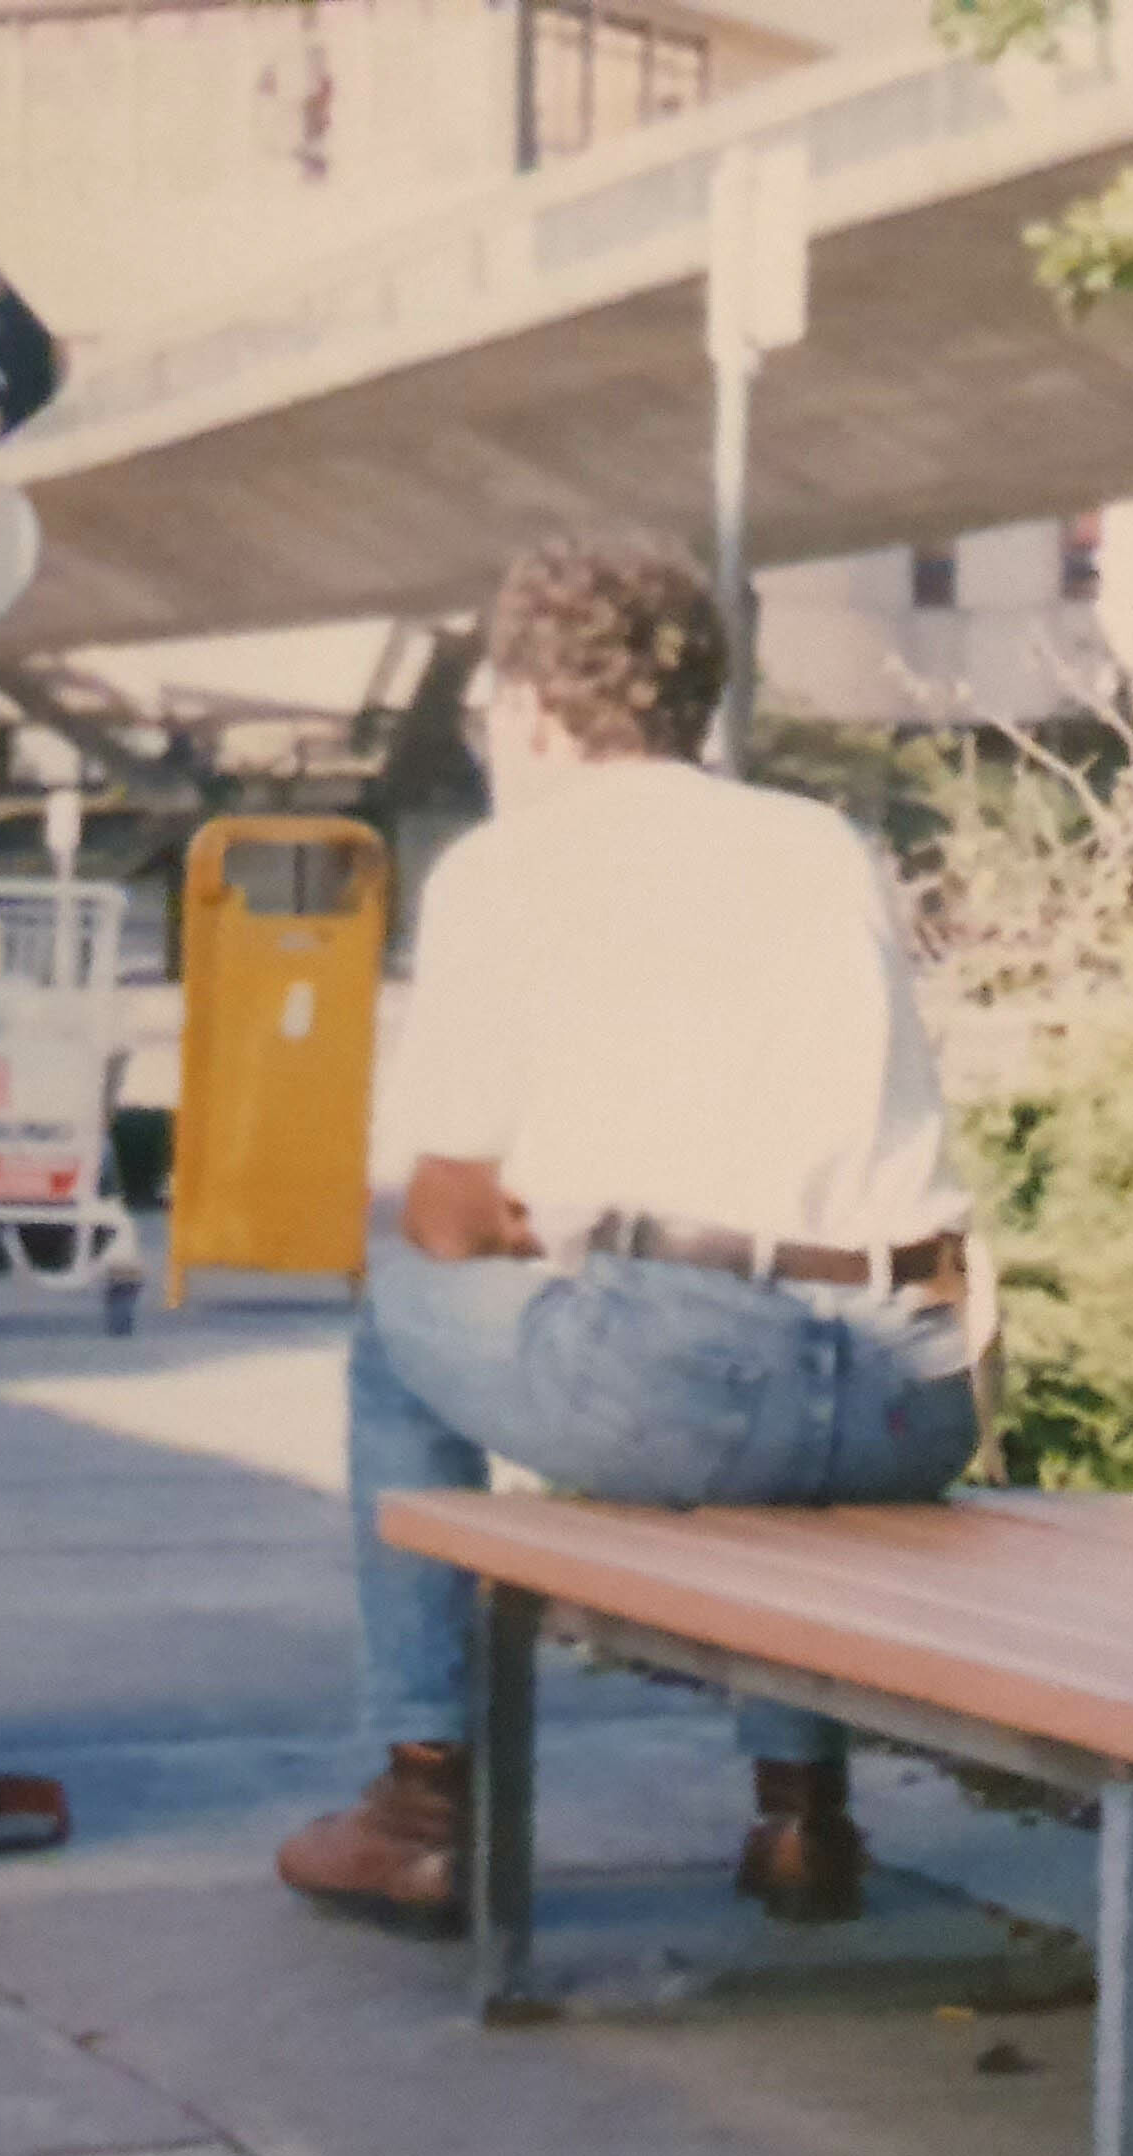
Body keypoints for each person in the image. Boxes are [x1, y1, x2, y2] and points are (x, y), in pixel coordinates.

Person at [274, 536, 980, 1935]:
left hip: (698, 1383)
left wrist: (549, 1228)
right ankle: (800, 1815)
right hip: (918, 1388)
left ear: (534, 708)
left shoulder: (507, 868)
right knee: (768, 1415)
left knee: (397, 1312)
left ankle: (424, 1801)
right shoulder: (823, 841)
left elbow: (442, 1212)